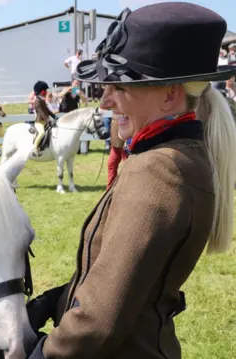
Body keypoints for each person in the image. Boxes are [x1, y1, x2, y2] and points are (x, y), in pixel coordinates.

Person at [26, 4, 236, 359]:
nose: (107, 101)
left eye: (120, 87)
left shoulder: (160, 171)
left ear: (169, 95)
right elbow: (126, 278)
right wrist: (53, 301)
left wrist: (42, 355)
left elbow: (97, 322)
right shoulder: (165, 158)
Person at [31, 80, 57, 157]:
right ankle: (35, 149)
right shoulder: (37, 101)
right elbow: (42, 113)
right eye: (46, 90)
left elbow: (47, 111)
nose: (47, 92)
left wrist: (54, 116)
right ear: (42, 91)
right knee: (42, 133)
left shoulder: (42, 100)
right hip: (40, 122)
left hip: (45, 121)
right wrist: (48, 120)